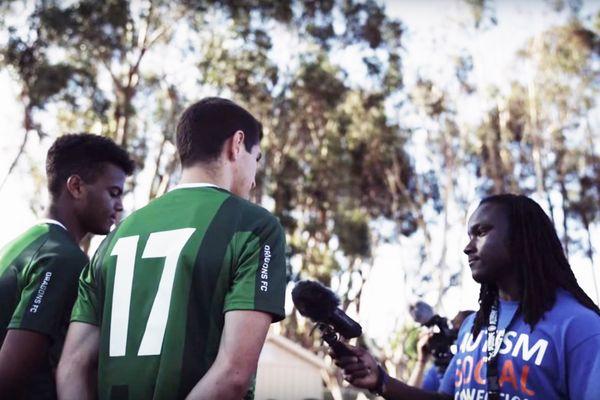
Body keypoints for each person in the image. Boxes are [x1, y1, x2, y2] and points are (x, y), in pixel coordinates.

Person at [56, 97, 288, 400]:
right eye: (255, 160)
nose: (254, 180)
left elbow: (72, 366)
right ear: (237, 144)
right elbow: (232, 374)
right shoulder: (254, 226)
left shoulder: (114, 238)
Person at [333, 194, 600, 400]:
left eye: (481, 232)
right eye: (469, 235)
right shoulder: (474, 326)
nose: (467, 247)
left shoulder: (580, 327)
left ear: (521, 238)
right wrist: (381, 380)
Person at [0, 134, 134, 399]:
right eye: (113, 193)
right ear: (76, 187)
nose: (119, 206)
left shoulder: (20, 244)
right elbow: (9, 374)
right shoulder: (64, 258)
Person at [408, 310, 473, 391]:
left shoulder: (474, 364)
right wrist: (421, 362)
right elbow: (412, 394)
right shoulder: (438, 369)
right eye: (451, 324)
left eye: (457, 326)